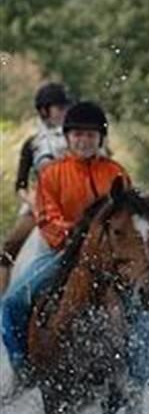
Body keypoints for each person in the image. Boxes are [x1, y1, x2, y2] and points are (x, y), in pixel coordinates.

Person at [1, 100, 149, 395]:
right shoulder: (52, 174)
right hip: (61, 252)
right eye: (77, 135)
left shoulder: (116, 172)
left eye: (90, 135)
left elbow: (127, 218)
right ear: (67, 137)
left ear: (100, 138)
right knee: (10, 303)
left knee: (141, 305)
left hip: (108, 258)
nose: (84, 140)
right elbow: (47, 220)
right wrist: (79, 237)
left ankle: (144, 375)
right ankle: (24, 368)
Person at [0, 82, 72, 296]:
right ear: (44, 111)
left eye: (66, 108)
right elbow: (20, 184)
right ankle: (3, 300)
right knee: (8, 249)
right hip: (38, 207)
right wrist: (33, 203)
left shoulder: (76, 137)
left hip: (73, 204)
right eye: (60, 109)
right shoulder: (32, 143)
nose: (65, 112)